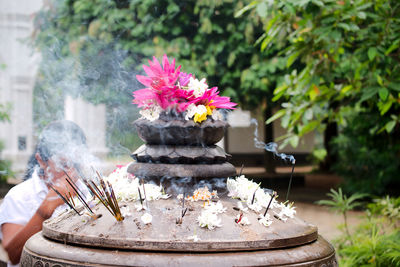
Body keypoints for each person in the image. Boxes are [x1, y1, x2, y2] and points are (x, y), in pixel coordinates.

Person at [0, 120, 90, 266]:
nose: (72, 171)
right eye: (64, 164)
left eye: (77, 163)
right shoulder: (19, 196)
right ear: (41, 160)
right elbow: (14, 255)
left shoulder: (88, 192)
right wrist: (48, 206)